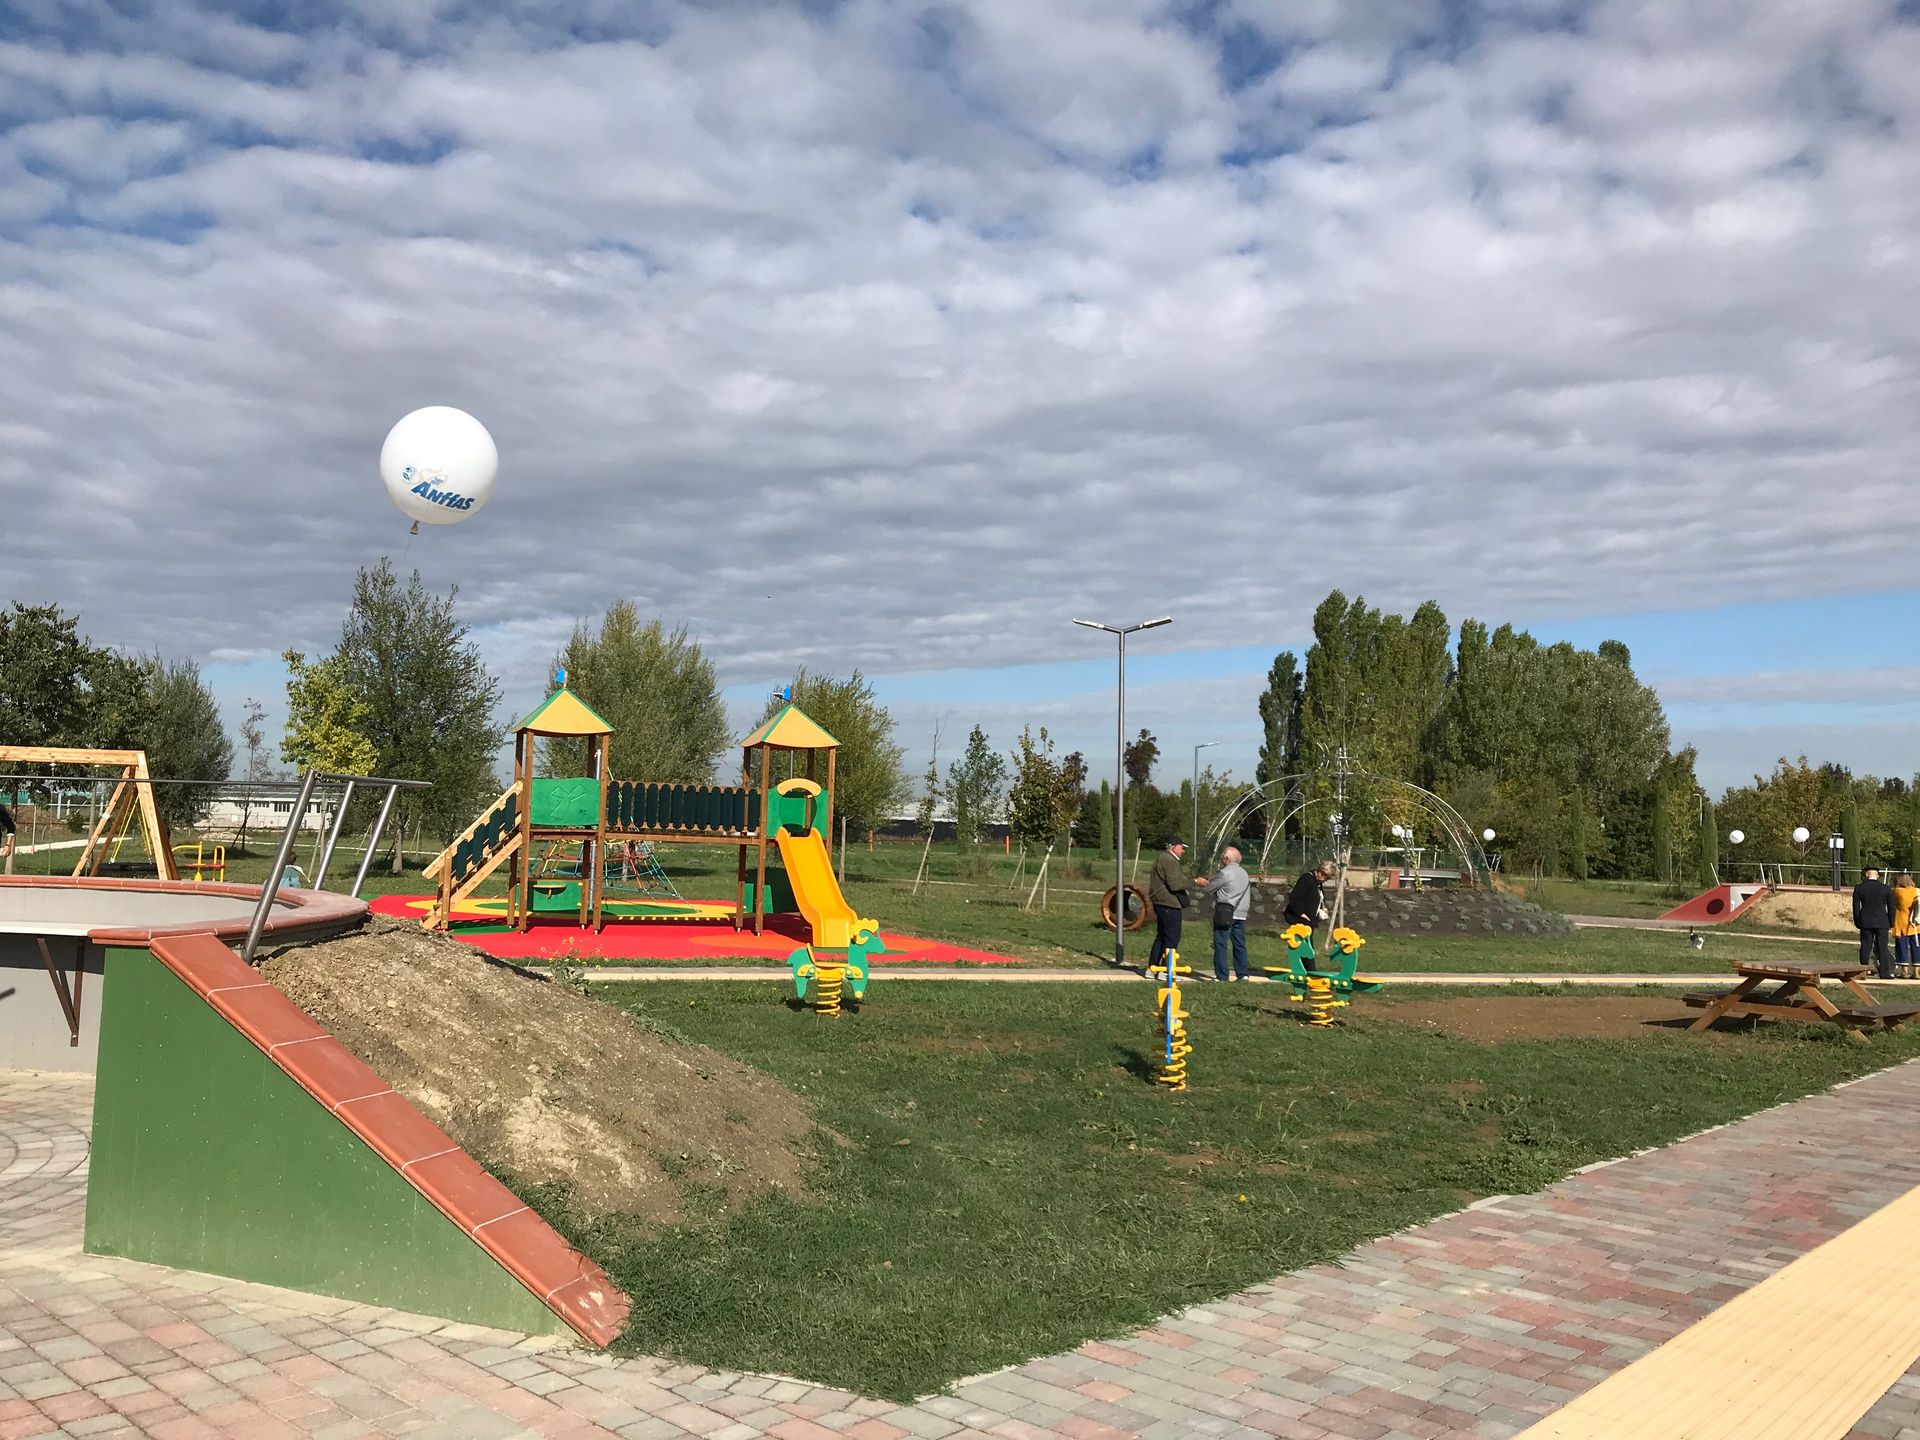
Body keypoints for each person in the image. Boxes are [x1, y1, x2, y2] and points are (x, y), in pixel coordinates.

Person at [1147, 838, 1204, 974]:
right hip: (1169, 904)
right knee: (1172, 938)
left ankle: (1153, 968)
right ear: (1173, 847)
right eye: (1182, 848)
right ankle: (1166, 970)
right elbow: (1175, 884)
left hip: (1162, 902)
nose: (1183, 851)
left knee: (1162, 936)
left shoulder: (1163, 858)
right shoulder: (1169, 860)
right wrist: (1195, 881)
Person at [1202, 846, 1252, 982]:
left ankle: (1222, 975)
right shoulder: (1244, 873)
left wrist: (1205, 882)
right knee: (1239, 944)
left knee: (1221, 944)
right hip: (1241, 912)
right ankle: (1243, 974)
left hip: (1226, 913)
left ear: (1226, 859)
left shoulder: (1225, 873)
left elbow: (1209, 888)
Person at [1285, 860, 1337, 971]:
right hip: (1301, 919)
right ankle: (1310, 971)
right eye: (1325, 877)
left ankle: (1307, 970)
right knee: (1306, 946)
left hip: (1310, 920)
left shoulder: (1317, 882)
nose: (1325, 880)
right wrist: (1301, 913)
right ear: (1320, 872)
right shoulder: (1307, 879)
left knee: (1306, 945)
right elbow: (1295, 897)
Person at [1852, 865, 1896, 980]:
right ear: (1878, 875)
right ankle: (1884, 972)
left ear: (1866, 874)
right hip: (1882, 921)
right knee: (1882, 947)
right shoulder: (1885, 888)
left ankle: (1863, 971)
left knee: (1865, 946)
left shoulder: (1859, 888)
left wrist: (1857, 921)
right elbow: (1891, 907)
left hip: (1866, 921)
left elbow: (1856, 907)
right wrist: (1891, 922)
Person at [1893, 871, 1920, 980]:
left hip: (1901, 921)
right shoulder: (1916, 891)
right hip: (1915, 923)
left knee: (1902, 947)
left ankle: (1905, 972)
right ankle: (1916, 972)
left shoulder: (1897, 891)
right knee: (1916, 947)